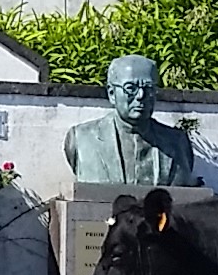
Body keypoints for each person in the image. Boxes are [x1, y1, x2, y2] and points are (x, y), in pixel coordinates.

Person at [65, 53, 196, 189]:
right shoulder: (81, 138)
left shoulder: (178, 142)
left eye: (148, 88)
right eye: (131, 88)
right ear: (112, 93)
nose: (141, 95)